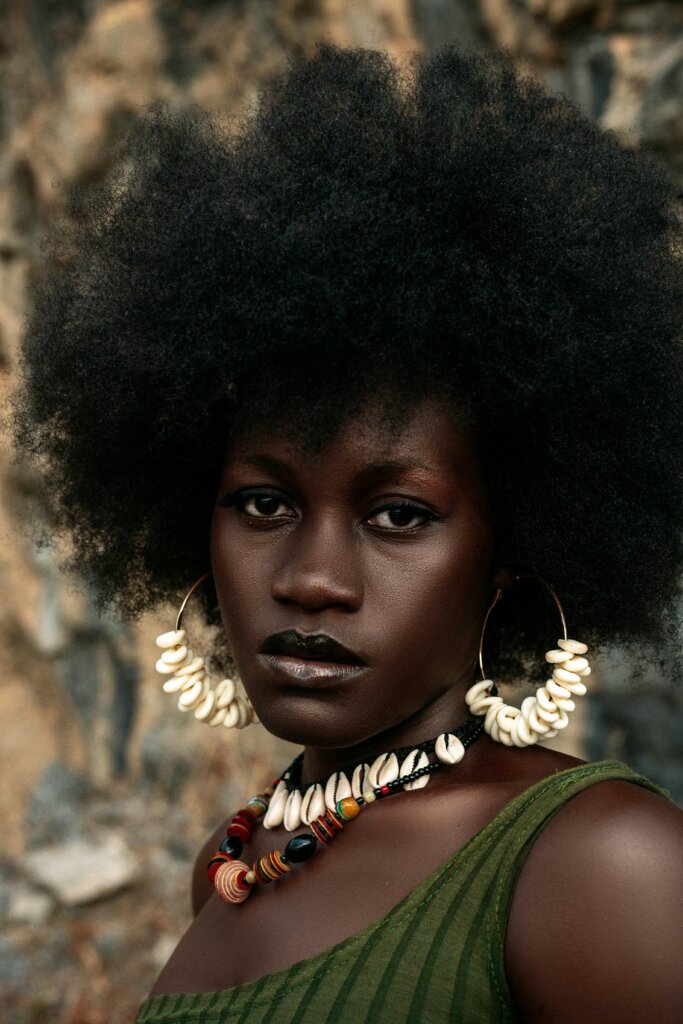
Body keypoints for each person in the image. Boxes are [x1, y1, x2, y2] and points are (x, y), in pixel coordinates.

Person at [12, 41, 683, 1024]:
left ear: (505, 558)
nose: (313, 577)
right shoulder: (233, 863)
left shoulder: (594, 861)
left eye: (397, 514)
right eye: (263, 502)